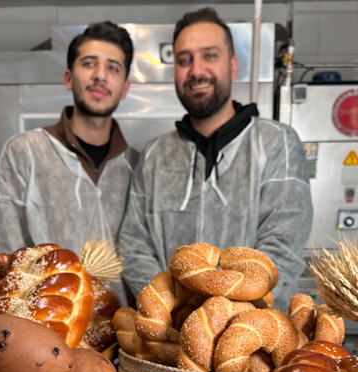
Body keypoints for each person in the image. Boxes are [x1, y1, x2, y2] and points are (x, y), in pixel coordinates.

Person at [118, 7, 311, 310]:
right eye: (185, 60)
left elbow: (281, 251)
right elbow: (134, 246)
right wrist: (172, 313)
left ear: (232, 66)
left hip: (252, 330)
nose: (196, 71)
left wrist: (223, 318)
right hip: (168, 331)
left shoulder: (276, 143)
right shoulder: (155, 154)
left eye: (209, 56)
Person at [0, 22, 139, 263]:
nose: (100, 75)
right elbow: (3, 256)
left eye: (113, 68)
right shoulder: (24, 153)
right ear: (68, 78)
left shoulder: (137, 166)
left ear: (125, 89)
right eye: (89, 63)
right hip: (46, 290)